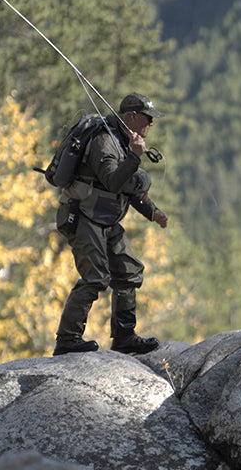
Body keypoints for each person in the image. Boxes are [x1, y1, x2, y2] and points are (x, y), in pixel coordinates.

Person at [52, 93, 169, 356]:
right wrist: (135, 157)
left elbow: (128, 189)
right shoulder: (104, 141)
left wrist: (153, 212)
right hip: (84, 216)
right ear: (132, 117)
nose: (151, 124)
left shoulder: (127, 141)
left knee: (128, 272)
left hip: (106, 218)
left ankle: (125, 337)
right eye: (148, 119)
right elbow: (113, 181)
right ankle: (67, 340)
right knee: (95, 278)